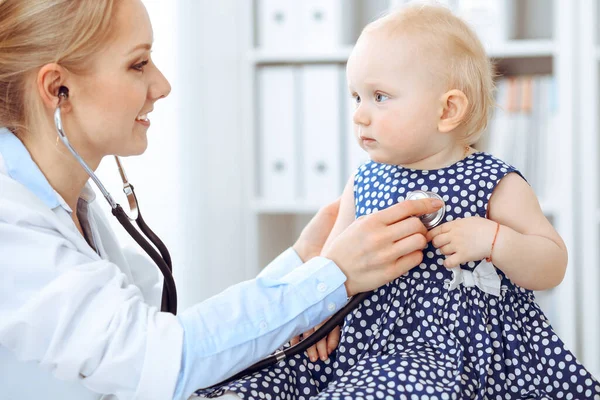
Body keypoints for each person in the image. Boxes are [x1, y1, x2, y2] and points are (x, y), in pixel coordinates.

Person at [0, 1, 445, 399]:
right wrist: (332, 277)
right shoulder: (10, 223)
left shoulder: (75, 204)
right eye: (138, 64)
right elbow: (156, 360)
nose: (162, 84)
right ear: (58, 87)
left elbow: (176, 339)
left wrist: (301, 261)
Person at [195, 4, 600, 400]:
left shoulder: (493, 181)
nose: (359, 115)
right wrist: (316, 313)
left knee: (394, 383)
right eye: (356, 97)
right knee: (279, 367)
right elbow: (331, 265)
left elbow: (552, 265)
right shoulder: (364, 179)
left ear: (448, 110)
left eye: (380, 97)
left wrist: (494, 240)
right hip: (360, 337)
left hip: (446, 349)